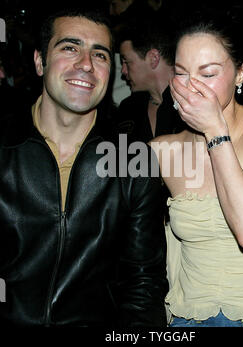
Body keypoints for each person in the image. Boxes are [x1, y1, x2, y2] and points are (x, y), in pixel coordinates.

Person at [0, 8, 168, 327]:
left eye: (100, 55)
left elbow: (142, 287)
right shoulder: (5, 149)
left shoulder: (134, 162)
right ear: (39, 61)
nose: (86, 64)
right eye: (69, 48)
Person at [150, 14, 243, 327]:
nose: (191, 86)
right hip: (188, 319)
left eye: (208, 74)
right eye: (181, 73)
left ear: (241, 73)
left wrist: (216, 131)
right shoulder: (162, 150)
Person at [116, 17, 185, 143]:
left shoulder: (191, 104)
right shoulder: (128, 109)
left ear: (153, 58)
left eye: (126, 61)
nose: (123, 71)